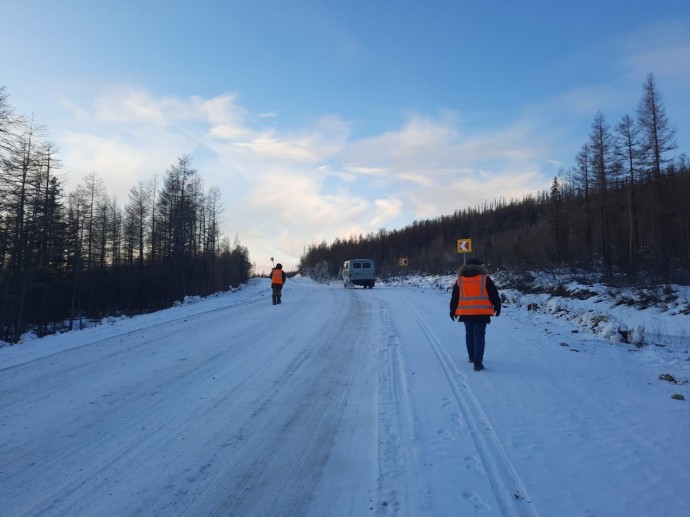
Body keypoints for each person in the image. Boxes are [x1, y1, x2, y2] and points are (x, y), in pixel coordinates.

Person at [449, 258, 501, 371]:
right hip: (482, 313)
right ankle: (478, 363)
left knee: (469, 334)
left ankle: (472, 357)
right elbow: (494, 294)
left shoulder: (460, 280)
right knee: (479, 336)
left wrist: (452, 310)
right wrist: (498, 306)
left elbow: (455, 297)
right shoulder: (484, 278)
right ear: (479, 267)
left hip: (466, 312)